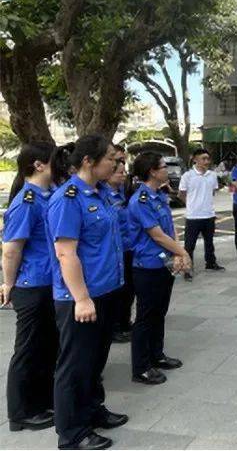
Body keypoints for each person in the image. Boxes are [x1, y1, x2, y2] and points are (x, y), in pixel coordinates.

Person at [46, 135, 128, 450]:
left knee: (95, 361)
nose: (117, 163)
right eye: (111, 158)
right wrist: (81, 298)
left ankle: (94, 410)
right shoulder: (68, 198)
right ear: (87, 162)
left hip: (105, 292)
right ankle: (72, 432)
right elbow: (66, 253)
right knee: (75, 366)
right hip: (80, 298)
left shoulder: (102, 194)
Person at [1, 142, 57, 433]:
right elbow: (11, 249)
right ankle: (21, 413)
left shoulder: (47, 196)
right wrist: (8, 284)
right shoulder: (26, 201)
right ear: (38, 165)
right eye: (54, 159)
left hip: (48, 283)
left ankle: (40, 402)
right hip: (31, 285)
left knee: (46, 348)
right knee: (28, 350)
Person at [128, 152, 191, 386]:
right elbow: (156, 235)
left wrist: (176, 252)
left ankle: (157, 354)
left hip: (164, 262)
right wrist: (182, 253)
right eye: (164, 166)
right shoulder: (140, 201)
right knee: (146, 316)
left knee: (159, 312)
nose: (167, 170)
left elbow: (170, 229)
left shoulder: (159, 196)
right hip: (147, 265)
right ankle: (141, 367)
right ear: (153, 172)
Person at [179, 148, 225, 281]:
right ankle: (187, 268)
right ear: (195, 159)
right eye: (203, 159)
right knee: (189, 245)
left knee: (209, 242)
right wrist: (191, 204)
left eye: (207, 159)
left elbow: (212, 192)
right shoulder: (187, 176)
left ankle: (210, 263)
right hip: (193, 216)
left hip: (209, 215)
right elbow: (181, 194)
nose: (206, 161)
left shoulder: (212, 175)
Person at [104, 146, 135, 344]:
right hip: (116, 251)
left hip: (129, 248)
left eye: (124, 171)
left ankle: (124, 322)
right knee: (118, 292)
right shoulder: (104, 195)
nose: (123, 175)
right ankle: (115, 327)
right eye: (119, 172)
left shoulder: (123, 191)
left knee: (129, 289)